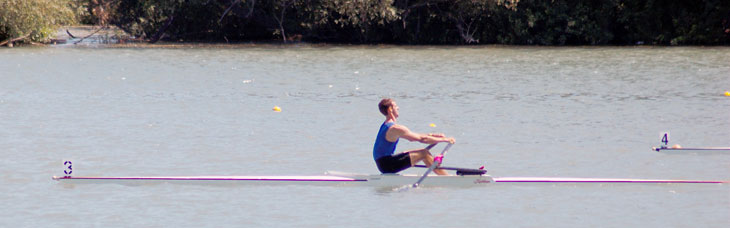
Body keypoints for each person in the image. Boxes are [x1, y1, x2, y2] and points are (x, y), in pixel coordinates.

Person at [373, 98, 455, 175]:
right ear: (390, 109)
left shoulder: (386, 124)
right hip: (387, 165)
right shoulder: (395, 128)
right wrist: (445, 139)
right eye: (395, 106)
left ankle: (441, 175)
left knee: (415, 152)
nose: (398, 108)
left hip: (384, 163)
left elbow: (418, 136)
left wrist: (434, 137)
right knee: (424, 153)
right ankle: (446, 178)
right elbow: (422, 139)